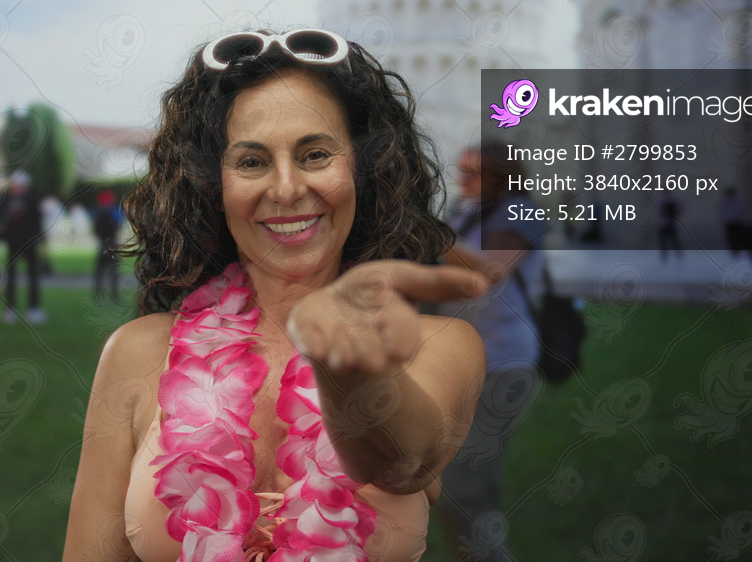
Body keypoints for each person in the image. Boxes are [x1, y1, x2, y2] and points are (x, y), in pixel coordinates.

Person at [63, 29, 489, 562]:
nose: (286, 189)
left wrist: (346, 364)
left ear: (363, 169)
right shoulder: (136, 352)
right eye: (251, 161)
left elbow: (406, 464)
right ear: (212, 185)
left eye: (315, 154)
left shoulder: (442, 343)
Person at [435, 143, 545, 562]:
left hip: (501, 362)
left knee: (459, 488)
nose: (461, 179)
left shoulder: (521, 212)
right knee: (467, 483)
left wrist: (430, 231)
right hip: (462, 360)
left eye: (473, 172)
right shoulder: (467, 211)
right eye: (460, 170)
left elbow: (490, 270)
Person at [0, 170, 46, 324]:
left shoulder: (32, 199)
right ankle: (10, 308)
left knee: (33, 276)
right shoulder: (6, 199)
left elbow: (37, 221)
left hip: (29, 242)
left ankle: (34, 308)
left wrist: (40, 239)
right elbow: (0, 220)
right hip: (13, 242)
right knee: (11, 276)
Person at [92, 189, 122, 299]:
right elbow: (119, 223)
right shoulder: (114, 211)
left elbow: (94, 227)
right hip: (112, 244)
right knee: (113, 272)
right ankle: (115, 294)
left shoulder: (97, 212)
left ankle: (97, 293)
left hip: (102, 244)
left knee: (100, 272)